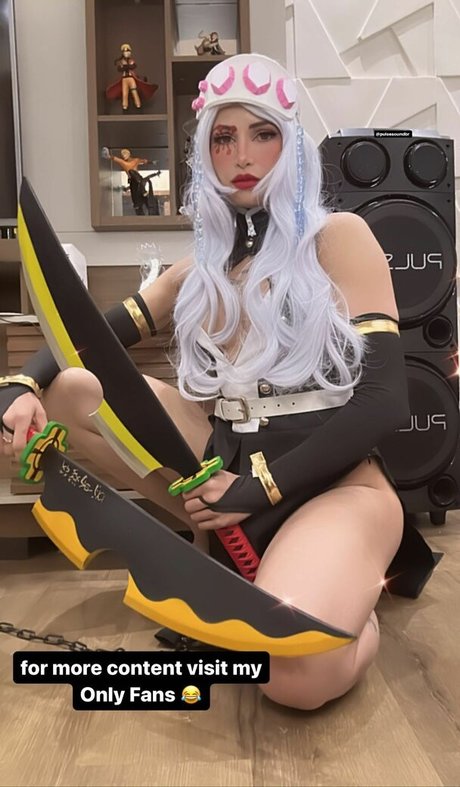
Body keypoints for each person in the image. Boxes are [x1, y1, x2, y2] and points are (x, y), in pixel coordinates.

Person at [0, 53, 438, 711]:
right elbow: (83, 340)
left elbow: (384, 402)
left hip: (334, 485)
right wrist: (20, 385)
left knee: (292, 675)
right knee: (71, 392)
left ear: (292, 145)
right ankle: (233, 555)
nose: (243, 155)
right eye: (224, 138)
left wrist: (256, 490)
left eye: (263, 134)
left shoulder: (339, 239)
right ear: (205, 153)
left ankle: (355, 609)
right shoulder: (199, 270)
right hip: (224, 468)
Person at [102, 147, 161, 215]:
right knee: (137, 201)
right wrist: (108, 156)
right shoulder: (123, 163)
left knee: (143, 193)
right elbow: (116, 159)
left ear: (129, 154)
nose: (123, 156)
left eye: (125, 154)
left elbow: (143, 161)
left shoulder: (135, 160)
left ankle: (145, 201)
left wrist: (152, 163)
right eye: (122, 155)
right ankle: (139, 207)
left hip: (138, 180)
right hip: (133, 182)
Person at [106, 43, 158, 112]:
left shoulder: (131, 61)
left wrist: (125, 66)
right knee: (125, 93)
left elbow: (133, 66)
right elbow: (120, 69)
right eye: (125, 51)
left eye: (128, 51)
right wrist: (126, 66)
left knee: (134, 91)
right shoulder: (121, 61)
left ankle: (138, 105)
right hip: (124, 79)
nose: (126, 52)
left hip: (131, 79)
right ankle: (125, 106)